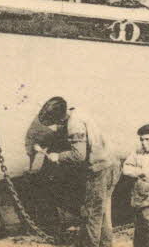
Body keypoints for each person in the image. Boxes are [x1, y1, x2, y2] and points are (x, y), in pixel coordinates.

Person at [31, 97, 119, 247]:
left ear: (59, 118)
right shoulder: (76, 113)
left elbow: (79, 155)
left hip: (98, 171)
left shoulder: (74, 125)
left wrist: (58, 156)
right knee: (103, 213)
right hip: (111, 165)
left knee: (91, 214)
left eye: (54, 123)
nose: (54, 126)